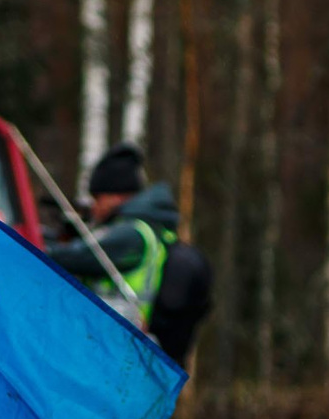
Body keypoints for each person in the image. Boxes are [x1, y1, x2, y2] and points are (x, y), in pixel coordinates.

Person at [45, 142, 214, 369]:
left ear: (117, 197)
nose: (94, 207)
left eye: (98, 198)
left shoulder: (132, 234)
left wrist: (40, 246)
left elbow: (81, 257)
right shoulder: (146, 231)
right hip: (121, 350)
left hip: (120, 351)